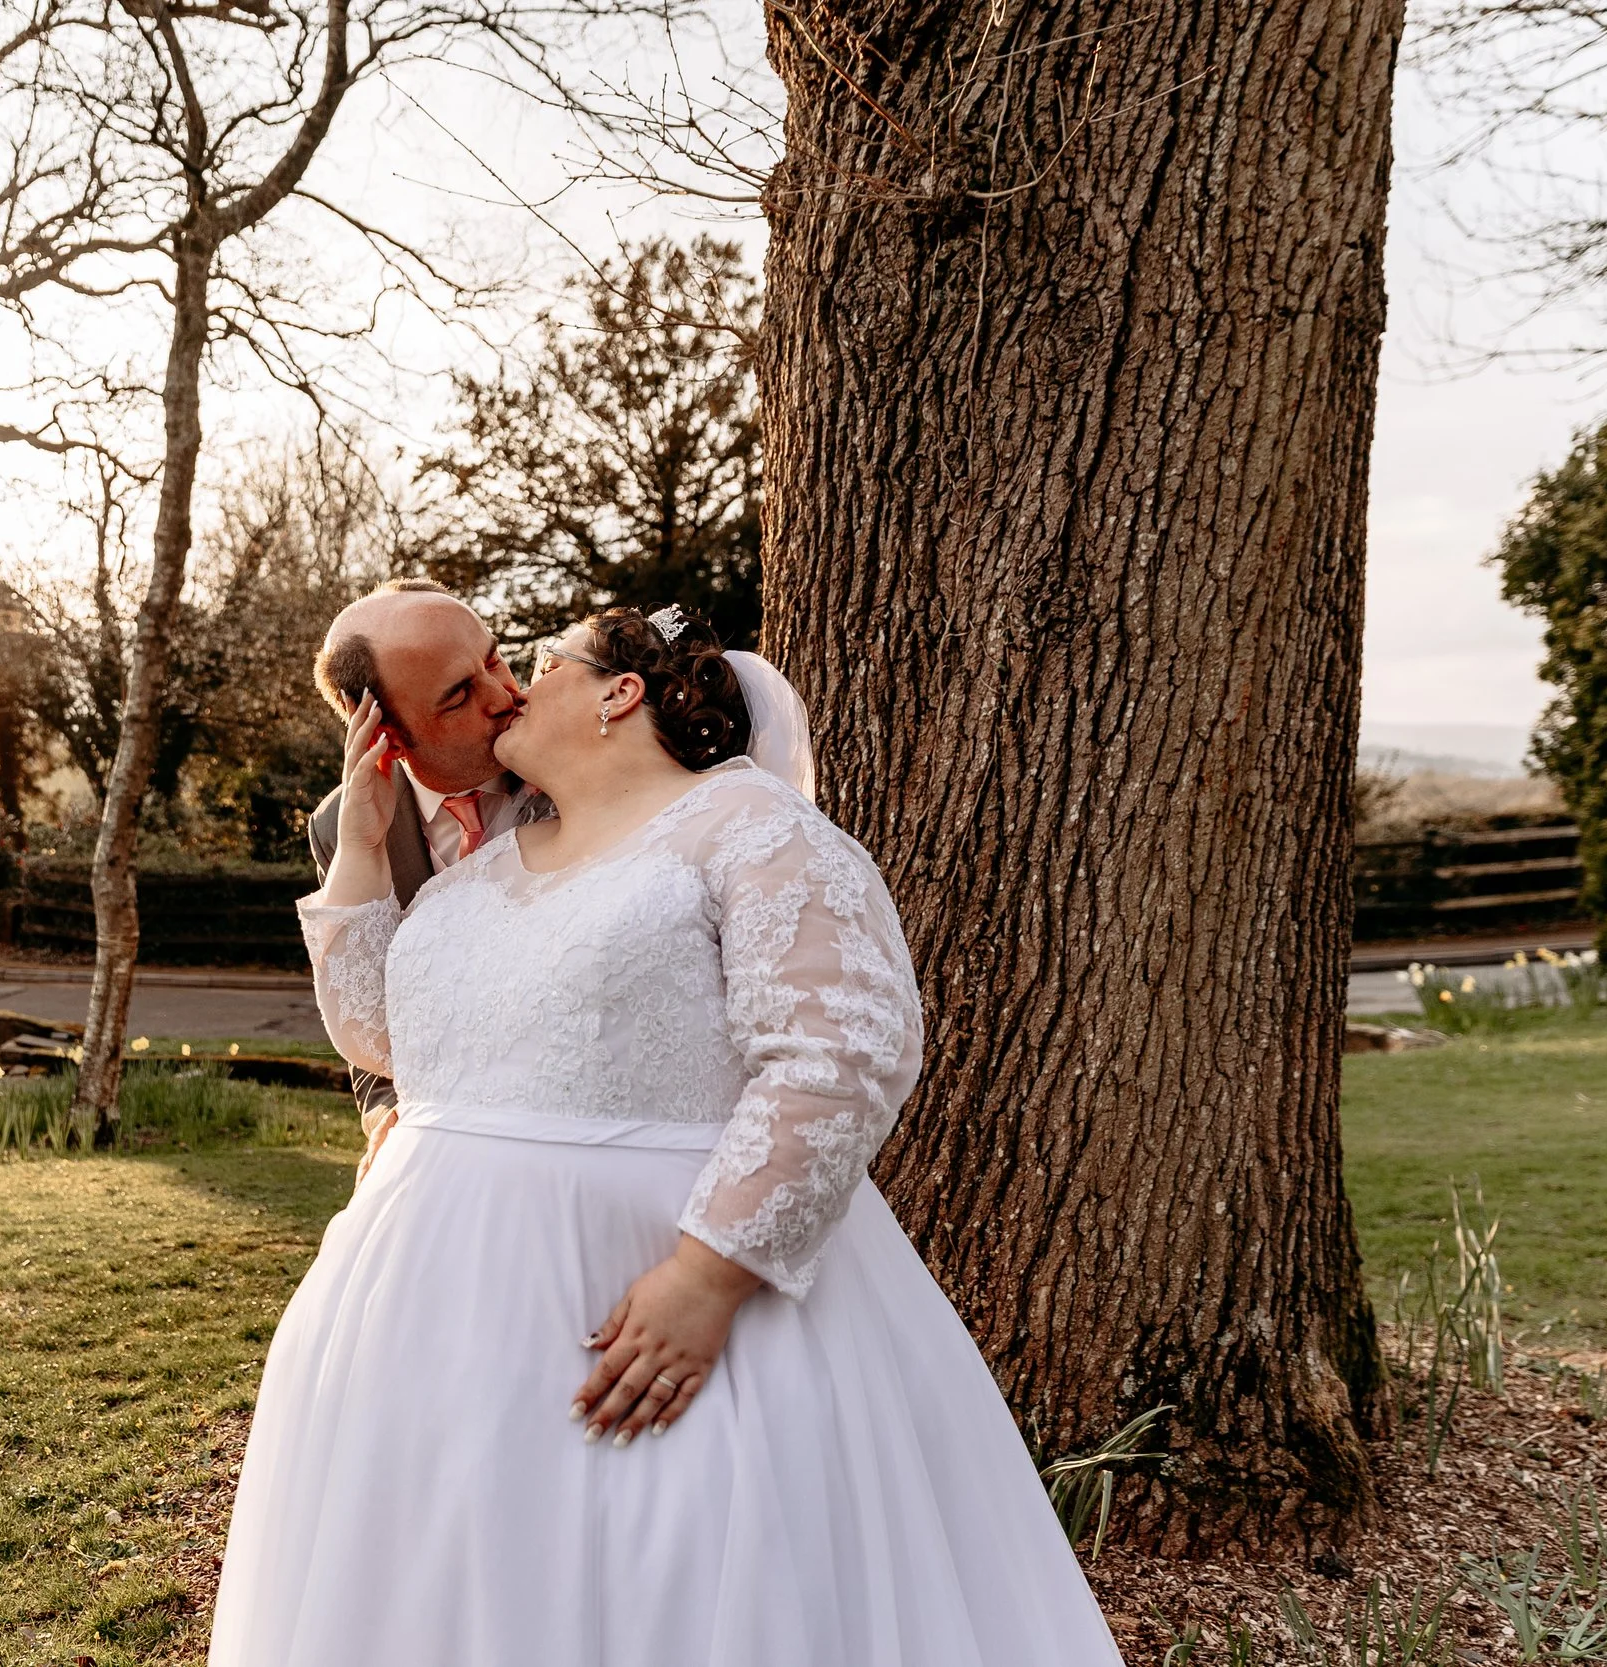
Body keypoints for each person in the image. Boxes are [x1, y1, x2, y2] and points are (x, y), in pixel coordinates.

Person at [209, 603, 1126, 1666]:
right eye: (472, 685)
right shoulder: (479, 878)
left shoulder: (750, 826)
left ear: (618, 691)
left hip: (668, 1305)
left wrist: (707, 1275)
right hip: (435, 1335)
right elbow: (382, 1031)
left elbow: (842, 1052)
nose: (512, 687)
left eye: (537, 662)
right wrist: (362, 844)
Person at [304, 577, 550, 1171]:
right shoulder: (341, 826)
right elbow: (368, 1003)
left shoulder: (575, 762)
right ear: (386, 733)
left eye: (494, 659)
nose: (502, 696)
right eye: (459, 694)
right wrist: (383, 1112)